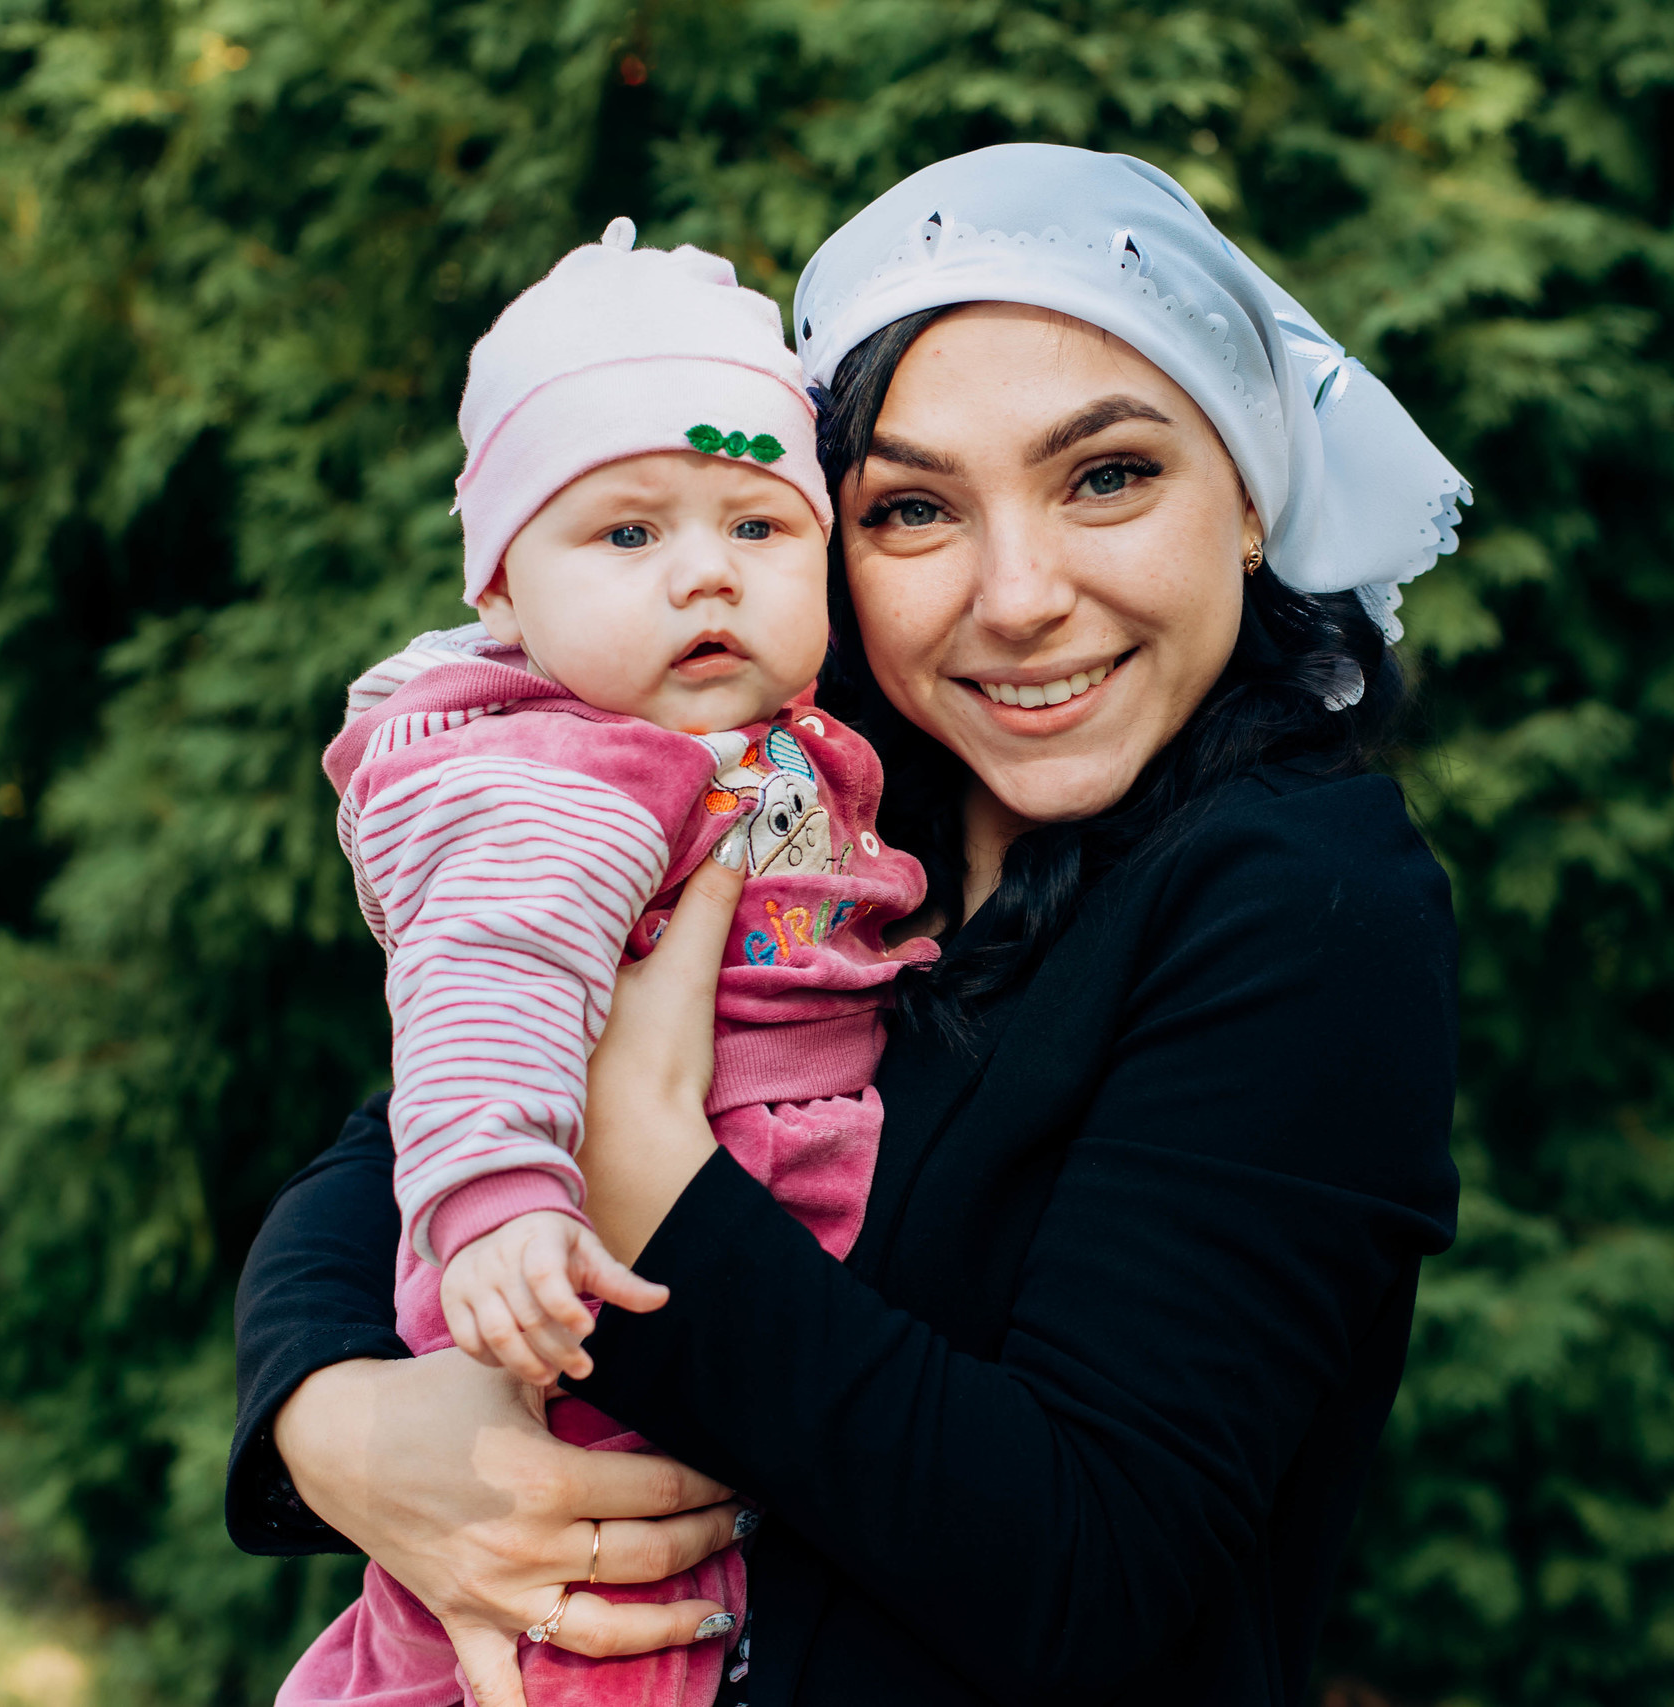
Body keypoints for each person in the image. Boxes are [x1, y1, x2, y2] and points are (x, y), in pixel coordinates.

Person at [232, 143, 1470, 1707]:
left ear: (1247, 499)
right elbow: (399, 1128)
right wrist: (333, 1422)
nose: (1018, 594)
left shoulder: (1310, 905)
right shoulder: (822, 809)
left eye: (1107, 476)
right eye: (911, 509)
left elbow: (1088, 1572)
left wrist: (646, 1177)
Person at [283, 218, 936, 1707]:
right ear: (502, 593)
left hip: (718, 1282)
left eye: (757, 528)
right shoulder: (555, 774)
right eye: (629, 534)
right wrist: (503, 1206)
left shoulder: (763, 747)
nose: (704, 578)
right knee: (597, 1623)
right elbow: (490, 978)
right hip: (578, 1297)